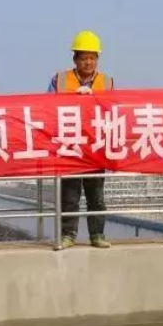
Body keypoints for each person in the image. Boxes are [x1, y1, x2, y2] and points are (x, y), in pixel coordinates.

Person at [48, 30, 113, 249]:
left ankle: (97, 235)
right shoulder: (59, 80)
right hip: (69, 147)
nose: (88, 62)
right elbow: (45, 107)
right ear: (75, 58)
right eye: (84, 58)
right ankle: (68, 235)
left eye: (92, 58)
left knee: (96, 196)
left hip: (95, 148)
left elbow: (113, 111)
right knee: (69, 195)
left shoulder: (107, 82)